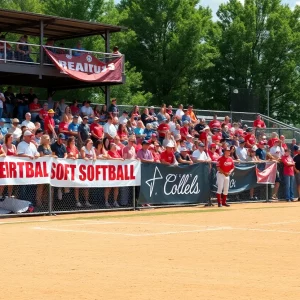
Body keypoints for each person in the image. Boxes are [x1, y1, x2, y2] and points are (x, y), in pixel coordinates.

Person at [1, 133, 16, 198]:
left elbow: (16, 155)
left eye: (12, 137)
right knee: (3, 183)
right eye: (11, 137)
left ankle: (9, 196)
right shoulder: (4, 145)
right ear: (7, 138)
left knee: (11, 182)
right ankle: (0, 195)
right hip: (5, 166)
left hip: (12, 166)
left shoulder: (14, 146)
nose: (12, 138)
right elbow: (5, 155)